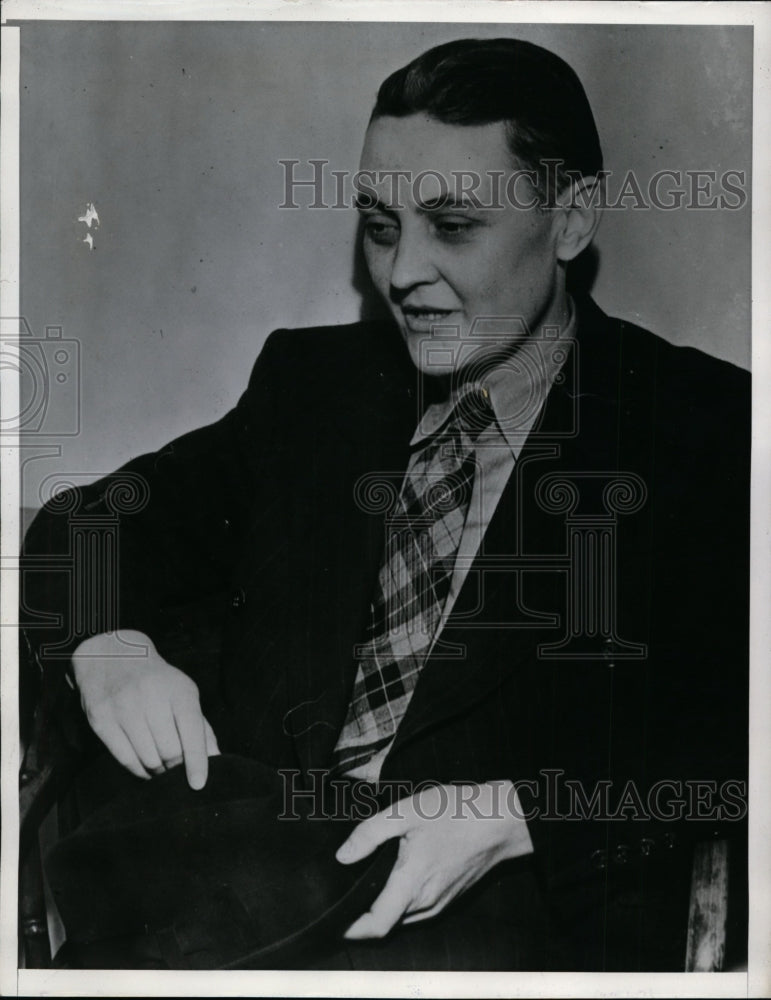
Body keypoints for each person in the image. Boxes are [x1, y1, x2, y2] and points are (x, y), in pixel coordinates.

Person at [20, 37, 750, 971]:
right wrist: (106, 641)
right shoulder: (312, 389)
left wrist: (526, 813)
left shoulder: (707, 432)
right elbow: (87, 522)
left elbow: (735, 730)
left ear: (568, 221)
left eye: (451, 227)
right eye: (377, 224)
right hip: (233, 902)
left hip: (497, 942)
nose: (400, 272)